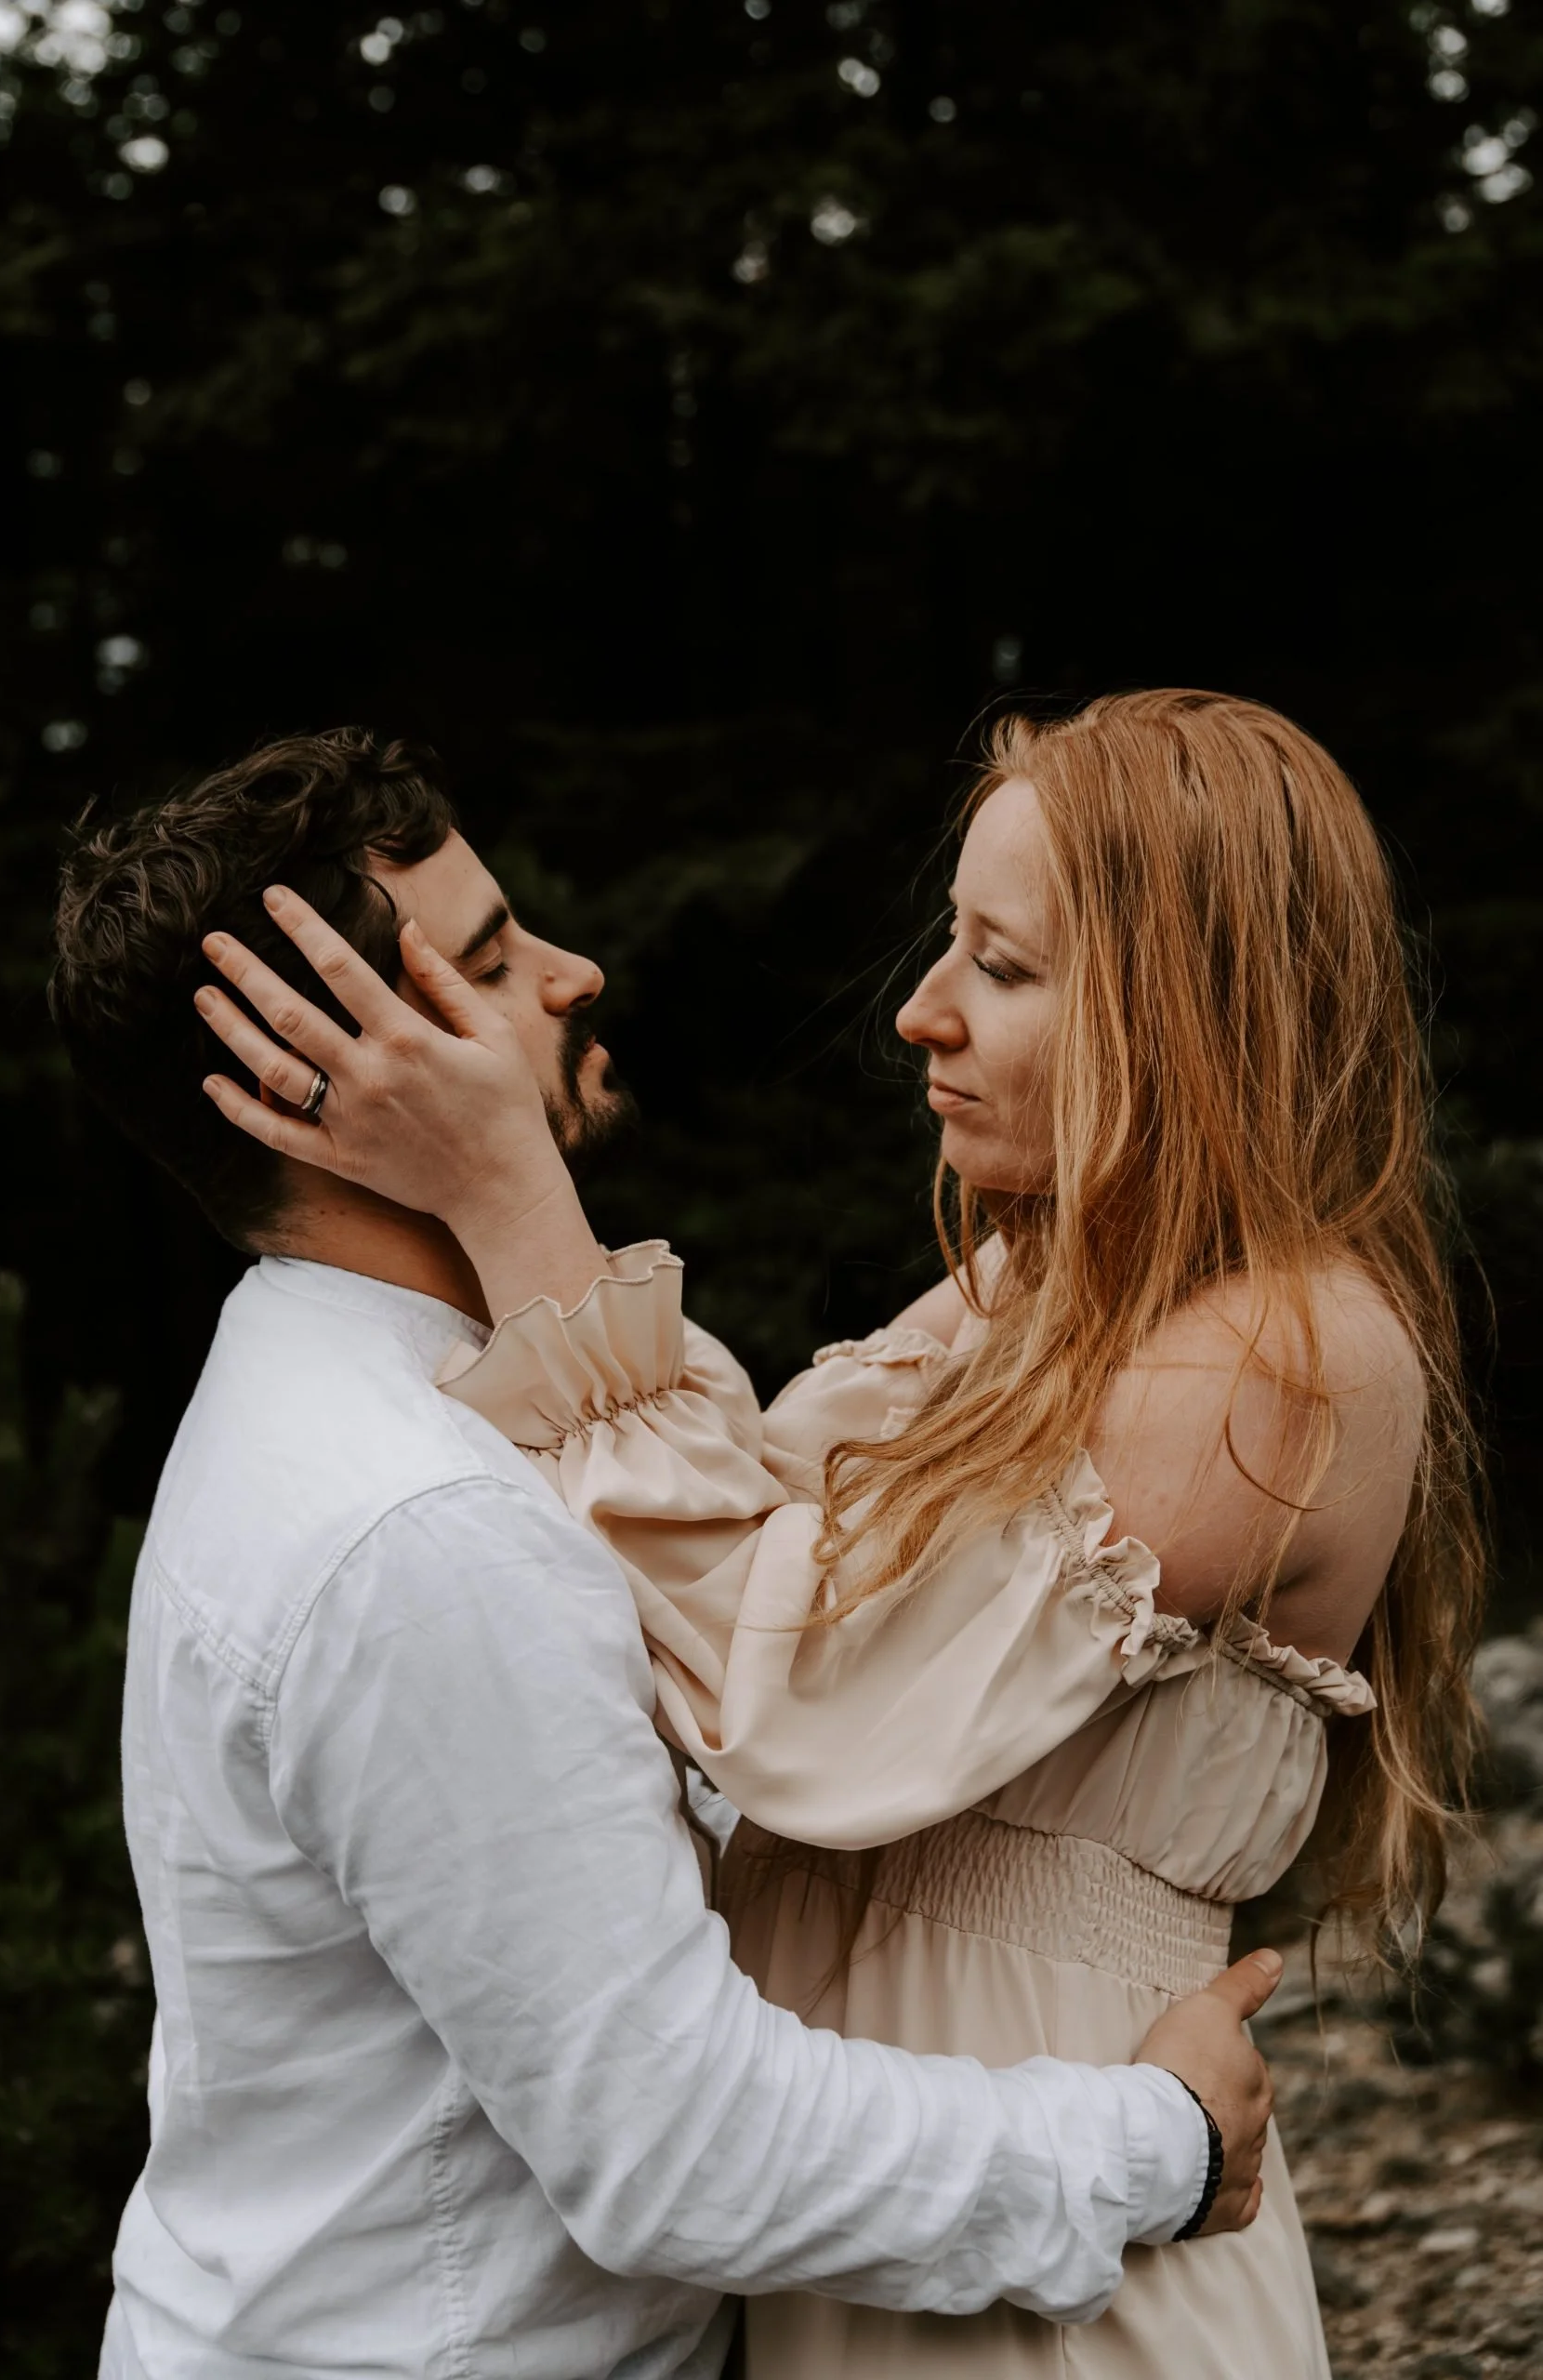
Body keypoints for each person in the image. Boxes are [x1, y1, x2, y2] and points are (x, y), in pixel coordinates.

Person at [199, 692, 1484, 2377]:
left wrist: (520, 1206)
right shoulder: (1042, 1286)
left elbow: (801, 1701)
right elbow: (745, 1518)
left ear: (1187, 1013)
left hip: (1066, 2270)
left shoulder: (1278, 1354)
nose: (921, 1011)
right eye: (951, 944)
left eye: (1001, 969)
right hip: (904, 2215)